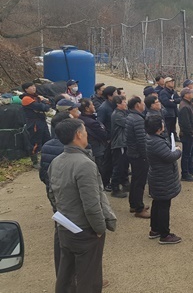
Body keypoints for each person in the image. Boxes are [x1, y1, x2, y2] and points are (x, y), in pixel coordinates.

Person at [48, 118, 117, 292]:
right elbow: (91, 205)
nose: (87, 135)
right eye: (85, 131)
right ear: (78, 134)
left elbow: (52, 194)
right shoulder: (85, 164)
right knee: (89, 277)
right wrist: (100, 228)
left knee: (66, 273)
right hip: (84, 230)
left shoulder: (56, 161)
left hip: (65, 226)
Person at [39, 112, 71, 276]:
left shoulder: (47, 146)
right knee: (75, 238)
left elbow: (43, 175)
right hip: (70, 199)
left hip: (54, 196)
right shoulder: (73, 149)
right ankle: (76, 277)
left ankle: (62, 274)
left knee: (59, 232)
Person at [145, 115, 182, 244]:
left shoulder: (152, 138)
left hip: (158, 176)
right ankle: (164, 234)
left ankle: (155, 229)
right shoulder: (156, 141)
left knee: (158, 203)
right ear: (158, 128)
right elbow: (169, 156)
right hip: (162, 177)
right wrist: (178, 151)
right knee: (164, 206)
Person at [125, 96, 150, 218]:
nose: (143, 105)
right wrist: (146, 156)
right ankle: (139, 209)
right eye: (141, 103)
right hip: (139, 155)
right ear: (136, 105)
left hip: (133, 153)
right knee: (139, 182)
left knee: (135, 180)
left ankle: (134, 204)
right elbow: (141, 140)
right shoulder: (137, 119)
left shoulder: (131, 116)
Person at [20, 81, 52, 168]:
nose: (33, 88)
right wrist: (43, 103)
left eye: (34, 86)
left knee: (47, 139)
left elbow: (48, 105)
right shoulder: (26, 99)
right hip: (34, 122)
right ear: (26, 89)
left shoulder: (37, 97)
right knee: (35, 141)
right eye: (31, 87)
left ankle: (47, 159)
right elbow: (42, 107)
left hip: (42, 120)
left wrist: (44, 103)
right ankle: (35, 161)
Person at [79, 99, 110, 180]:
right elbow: (104, 135)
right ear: (87, 108)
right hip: (97, 149)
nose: (94, 106)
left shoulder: (81, 119)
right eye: (92, 105)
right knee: (100, 170)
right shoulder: (92, 123)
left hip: (89, 149)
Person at [96, 86, 118, 191]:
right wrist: (106, 138)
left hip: (115, 138)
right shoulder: (104, 108)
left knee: (113, 162)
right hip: (108, 139)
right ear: (109, 96)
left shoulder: (113, 105)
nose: (117, 95)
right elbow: (100, 124)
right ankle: (105, 183)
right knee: (107, 162)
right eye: (115, 93)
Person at [178, 87, 193, 181]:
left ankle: (190, 169)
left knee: (191, 152)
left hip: (191, 134)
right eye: (190, 93)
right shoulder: (184, 106)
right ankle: (185, 173)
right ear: (186, 95)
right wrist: (191, 133)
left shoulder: (188, 104)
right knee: (186, 154)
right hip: (187, 135)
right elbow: (185, 123)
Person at [110, 95, 128, 198]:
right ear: (118, 104)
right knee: (118, 166)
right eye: (124, 102)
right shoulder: (117, 115)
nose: (126, 104)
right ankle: (115, 188)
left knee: (124, 165)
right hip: (119, 143)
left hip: (123, 142)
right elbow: (128, 123)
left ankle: (124, 183)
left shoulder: (123, 112)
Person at [158, 77, 181, 142]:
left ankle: (173, 139)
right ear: (166, 83)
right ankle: (168, 141)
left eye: (173, 81)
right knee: (167, 128)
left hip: (174, 113)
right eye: (170, 81)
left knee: (173, 128)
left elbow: (179, 99)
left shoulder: (174, 92)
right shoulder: (163, 92)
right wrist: (174, 103)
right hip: (167, 114)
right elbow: (166, 102)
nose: (172, 83)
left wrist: (173, 100)